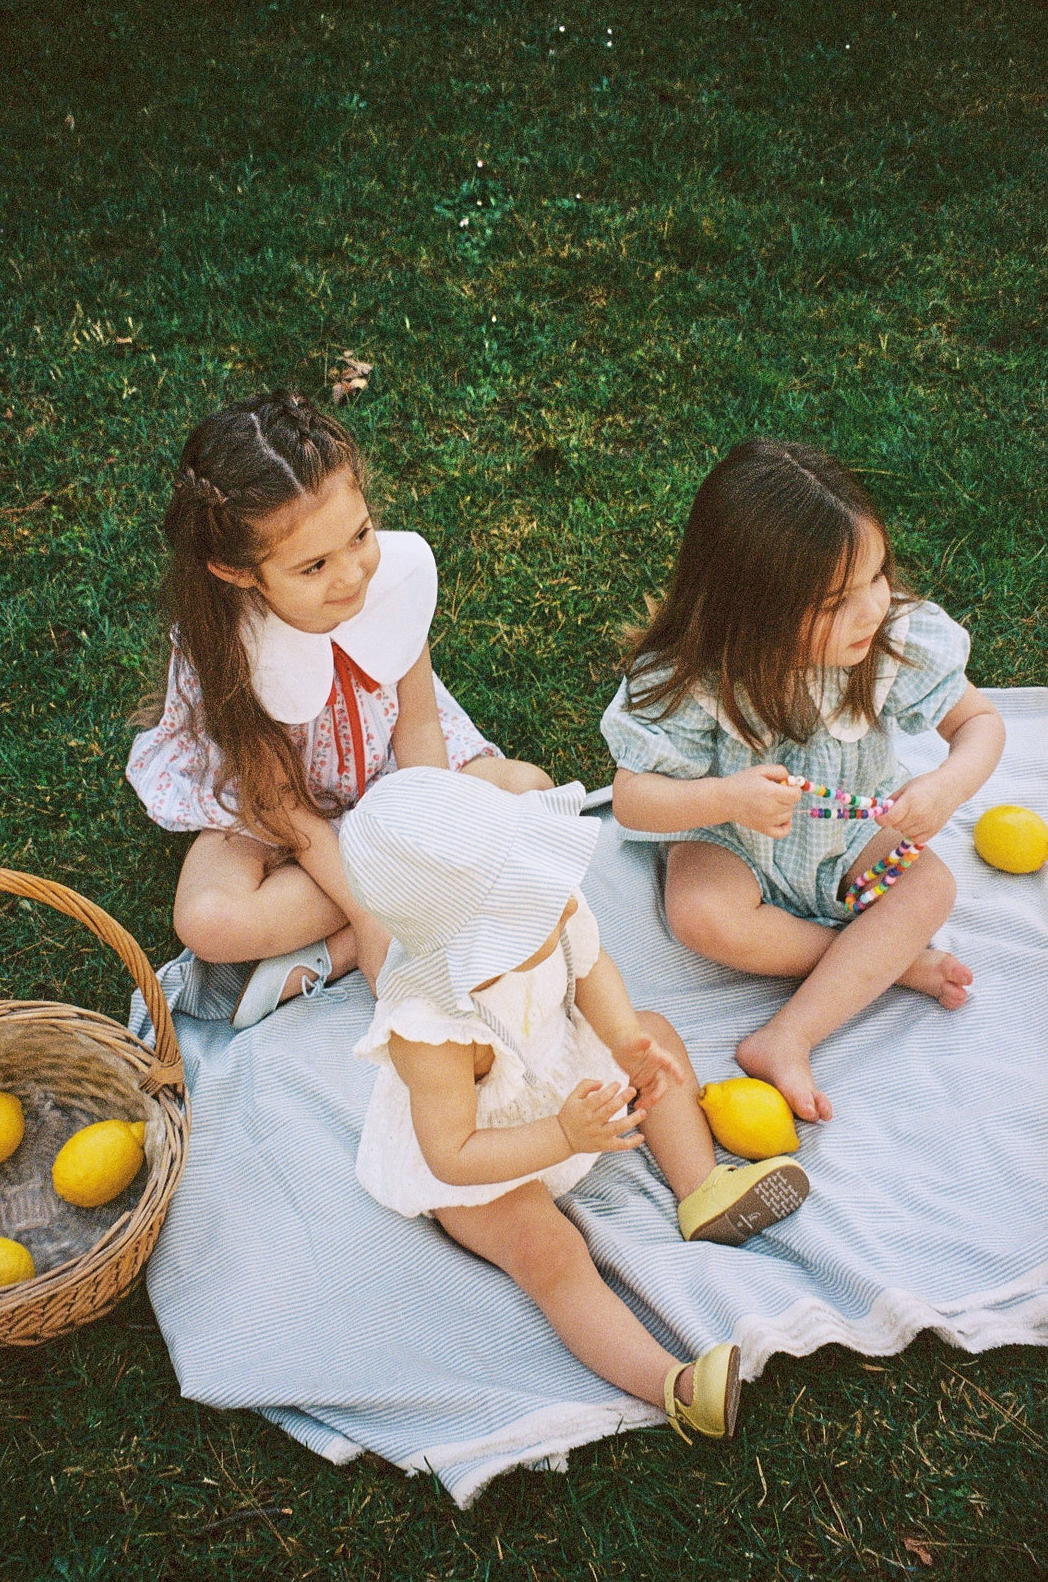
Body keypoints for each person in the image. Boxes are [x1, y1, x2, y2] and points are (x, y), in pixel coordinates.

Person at [338, 766, 810, 1441]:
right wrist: (563, 1137)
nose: (559, 901)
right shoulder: (431, 1026)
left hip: (558, 1072)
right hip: (486, 1157)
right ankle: (672, 1386)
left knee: (654, 1038)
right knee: (548, 1253)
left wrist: (622, 1040)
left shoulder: (552, 906)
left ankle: (702, 1187)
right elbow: (451, 1154)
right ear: (472, 942)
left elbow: (590, 969)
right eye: (528, 900)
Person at [601, 438, 1005, 1123]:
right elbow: (633, 802)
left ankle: (789, 1034)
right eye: (836, 601)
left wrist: (945, 788)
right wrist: (725, 798)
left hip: (850, 844)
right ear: (752, 608)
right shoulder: (700, 681)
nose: (873, 608)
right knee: (701, 915)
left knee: (931, 886)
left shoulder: (888, 643)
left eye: (877, 575)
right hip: (731, 844)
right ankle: (888, 963)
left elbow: (982, 724)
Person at [126, 390, 550, 1026]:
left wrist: (424, 839)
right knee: (208, 919)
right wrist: (370, 915)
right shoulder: (233, 650)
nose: (352, 577)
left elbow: (418, 727)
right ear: (241, 573)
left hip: (387, 770)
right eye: (314, 565)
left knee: (529, 793)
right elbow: (281, 806)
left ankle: (347, 933)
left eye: (360, 535)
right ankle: (352, 941)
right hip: (283, 808)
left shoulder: (391, 584)